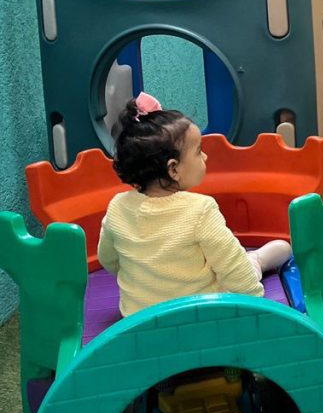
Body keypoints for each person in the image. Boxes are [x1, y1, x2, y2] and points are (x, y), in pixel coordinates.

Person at [97, 93, 292, 316]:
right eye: (199, 151)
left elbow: (109, 259)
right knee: (279, 250)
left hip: (138, 318)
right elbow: (235, 269)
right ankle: (258, 260)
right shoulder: (200, 210)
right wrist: (256, 304)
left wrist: (145, 277)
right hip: (200, 316)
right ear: (174, 169)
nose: (205, 157)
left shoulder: (117, 207)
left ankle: (255, 259)